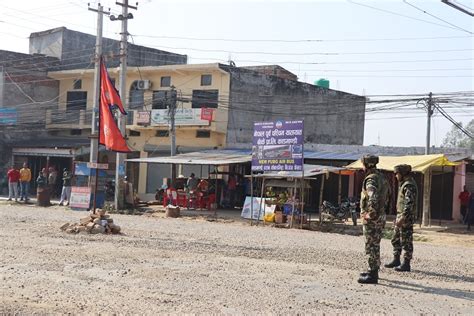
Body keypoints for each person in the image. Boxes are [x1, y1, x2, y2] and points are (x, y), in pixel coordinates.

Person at [358, 155, 390, 284]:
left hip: (373, 218)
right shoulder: (381, 177)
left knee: (371, 245)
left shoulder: (371, 179)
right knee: (375, 244)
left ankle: (373, 275)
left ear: (366, 164)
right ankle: (373, 269)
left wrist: (370, 213)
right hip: (380, 215)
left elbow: (373, 196)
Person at [384, 164, 418, 272]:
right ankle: (396, 260)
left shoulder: (409, 185)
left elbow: (409, 203)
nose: (395, 176)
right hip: (401, 215)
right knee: (395, 238)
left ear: (403, 174)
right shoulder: (404, 184)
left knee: (406, 240)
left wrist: (403, 218)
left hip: (406, 217)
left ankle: (406, 264)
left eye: (397, 174)